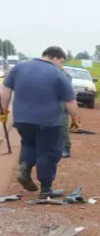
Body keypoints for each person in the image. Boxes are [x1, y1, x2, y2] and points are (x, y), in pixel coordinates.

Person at [0, 46, 79, 199]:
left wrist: (3, 110)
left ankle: (24, 168)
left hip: (22, 119)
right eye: (61, 62)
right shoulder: (58, 74)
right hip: (49, 122)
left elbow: (4, 92)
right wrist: (75, 120)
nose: (61, 65)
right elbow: (70, 102)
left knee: (28, 144)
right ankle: (46, 190)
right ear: (55, 58)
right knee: (47, 152)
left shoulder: (19, 68)